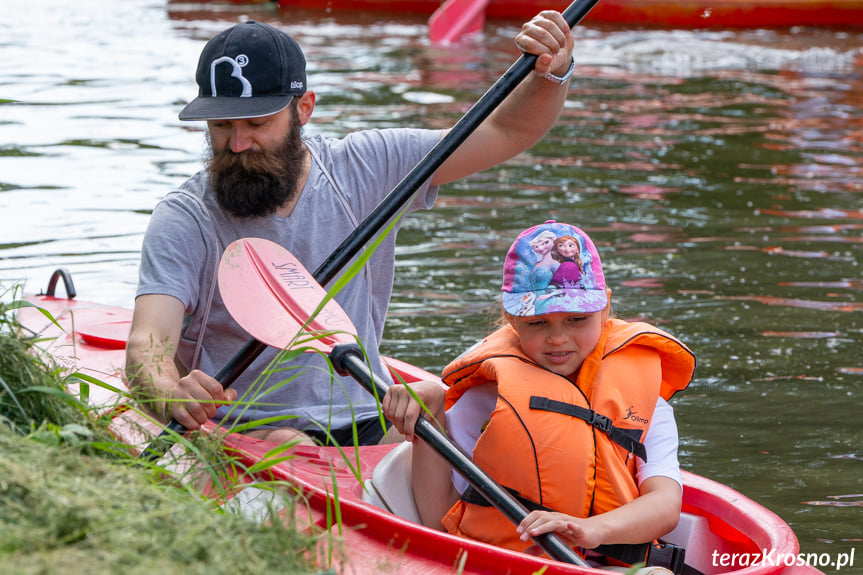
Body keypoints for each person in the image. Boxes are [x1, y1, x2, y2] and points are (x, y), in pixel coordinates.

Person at [125, 13, 577, 448]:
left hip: (370, 418)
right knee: (288, 441)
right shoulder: (185, 217)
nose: (237, 143)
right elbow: (148, 343)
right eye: (221, 126)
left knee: (447, 411)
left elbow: (505, 130)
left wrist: (549, 75)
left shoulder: (369, 166)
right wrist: (168, 392)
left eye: (257, 123)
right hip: (248, 431)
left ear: (303, 109)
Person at [382, 221, 695, 569]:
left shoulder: (650, 405)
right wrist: (432, 409)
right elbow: (438, 514)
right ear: (511, 320)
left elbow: (665, 505)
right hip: (500, 563)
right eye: (538, 323)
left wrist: (591, 529)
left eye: (577, 319)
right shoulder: (488, 397)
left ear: (604, 308)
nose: (558, 338)